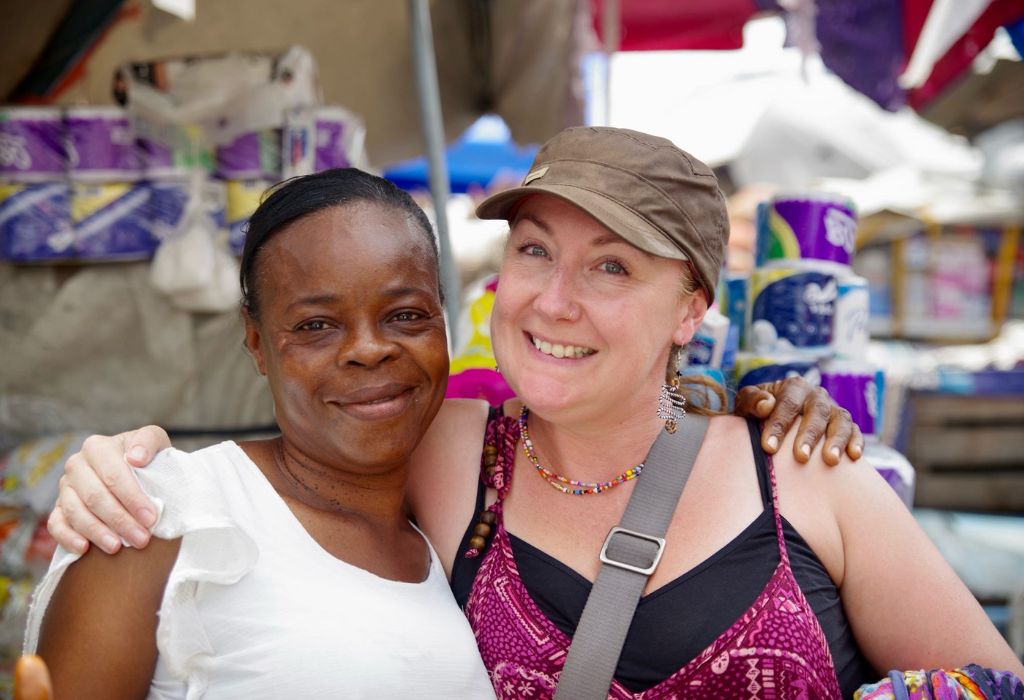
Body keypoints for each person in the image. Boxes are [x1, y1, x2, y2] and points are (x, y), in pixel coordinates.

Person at [49, 127, 1021, 698]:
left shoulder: (804, 468)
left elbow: (996, 685)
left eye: (611, 265)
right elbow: (308, 442)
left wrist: (755, 398)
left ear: (692, 307)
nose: (555, 299)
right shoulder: (448, 455)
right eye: (533, 252)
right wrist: (123, 466)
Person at [24, 169, 497, 698]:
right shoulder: (161, 513)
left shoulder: (460, 538)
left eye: (406, 315)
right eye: (316, 324)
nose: (369, 348)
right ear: (256, 342)